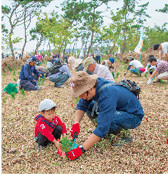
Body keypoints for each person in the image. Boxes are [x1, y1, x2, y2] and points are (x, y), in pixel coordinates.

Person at [66, 71, 144, 160]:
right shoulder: (94, 85)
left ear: (90, 88)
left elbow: (102, 127)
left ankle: (125, 136)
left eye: (80, 93)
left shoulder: (107, 95)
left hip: (133, 116)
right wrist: (76, 123)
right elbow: (82, 105)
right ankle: (107, 133)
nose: (79, 96)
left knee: (109, 120)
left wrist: (81, 149)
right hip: (118, 109)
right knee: (90, 107)